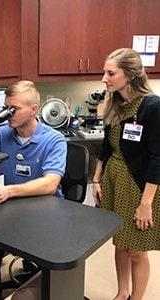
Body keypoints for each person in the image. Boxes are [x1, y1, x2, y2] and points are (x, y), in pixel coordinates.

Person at [0, 80, 67, 300]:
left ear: (34, 110)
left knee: (50, 264)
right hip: (9, 210)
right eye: (6, 107)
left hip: (45, 213)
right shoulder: (3, 133)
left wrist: (9, 191)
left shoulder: (54, 140)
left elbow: (50, 183)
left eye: (14, 109)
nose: (8, 113)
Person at [92, 48, 160, 300]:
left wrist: (146, 204)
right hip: (113, 181)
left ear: (130, 75)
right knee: (119, 241)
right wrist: (96, 179)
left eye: (110, 72)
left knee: (136, 250)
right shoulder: (114, 104)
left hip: (139, 185)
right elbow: (106, 147)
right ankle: (122, 292)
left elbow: (157, 158)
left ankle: (137, 298)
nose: (104, 78)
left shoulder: (152, 107)